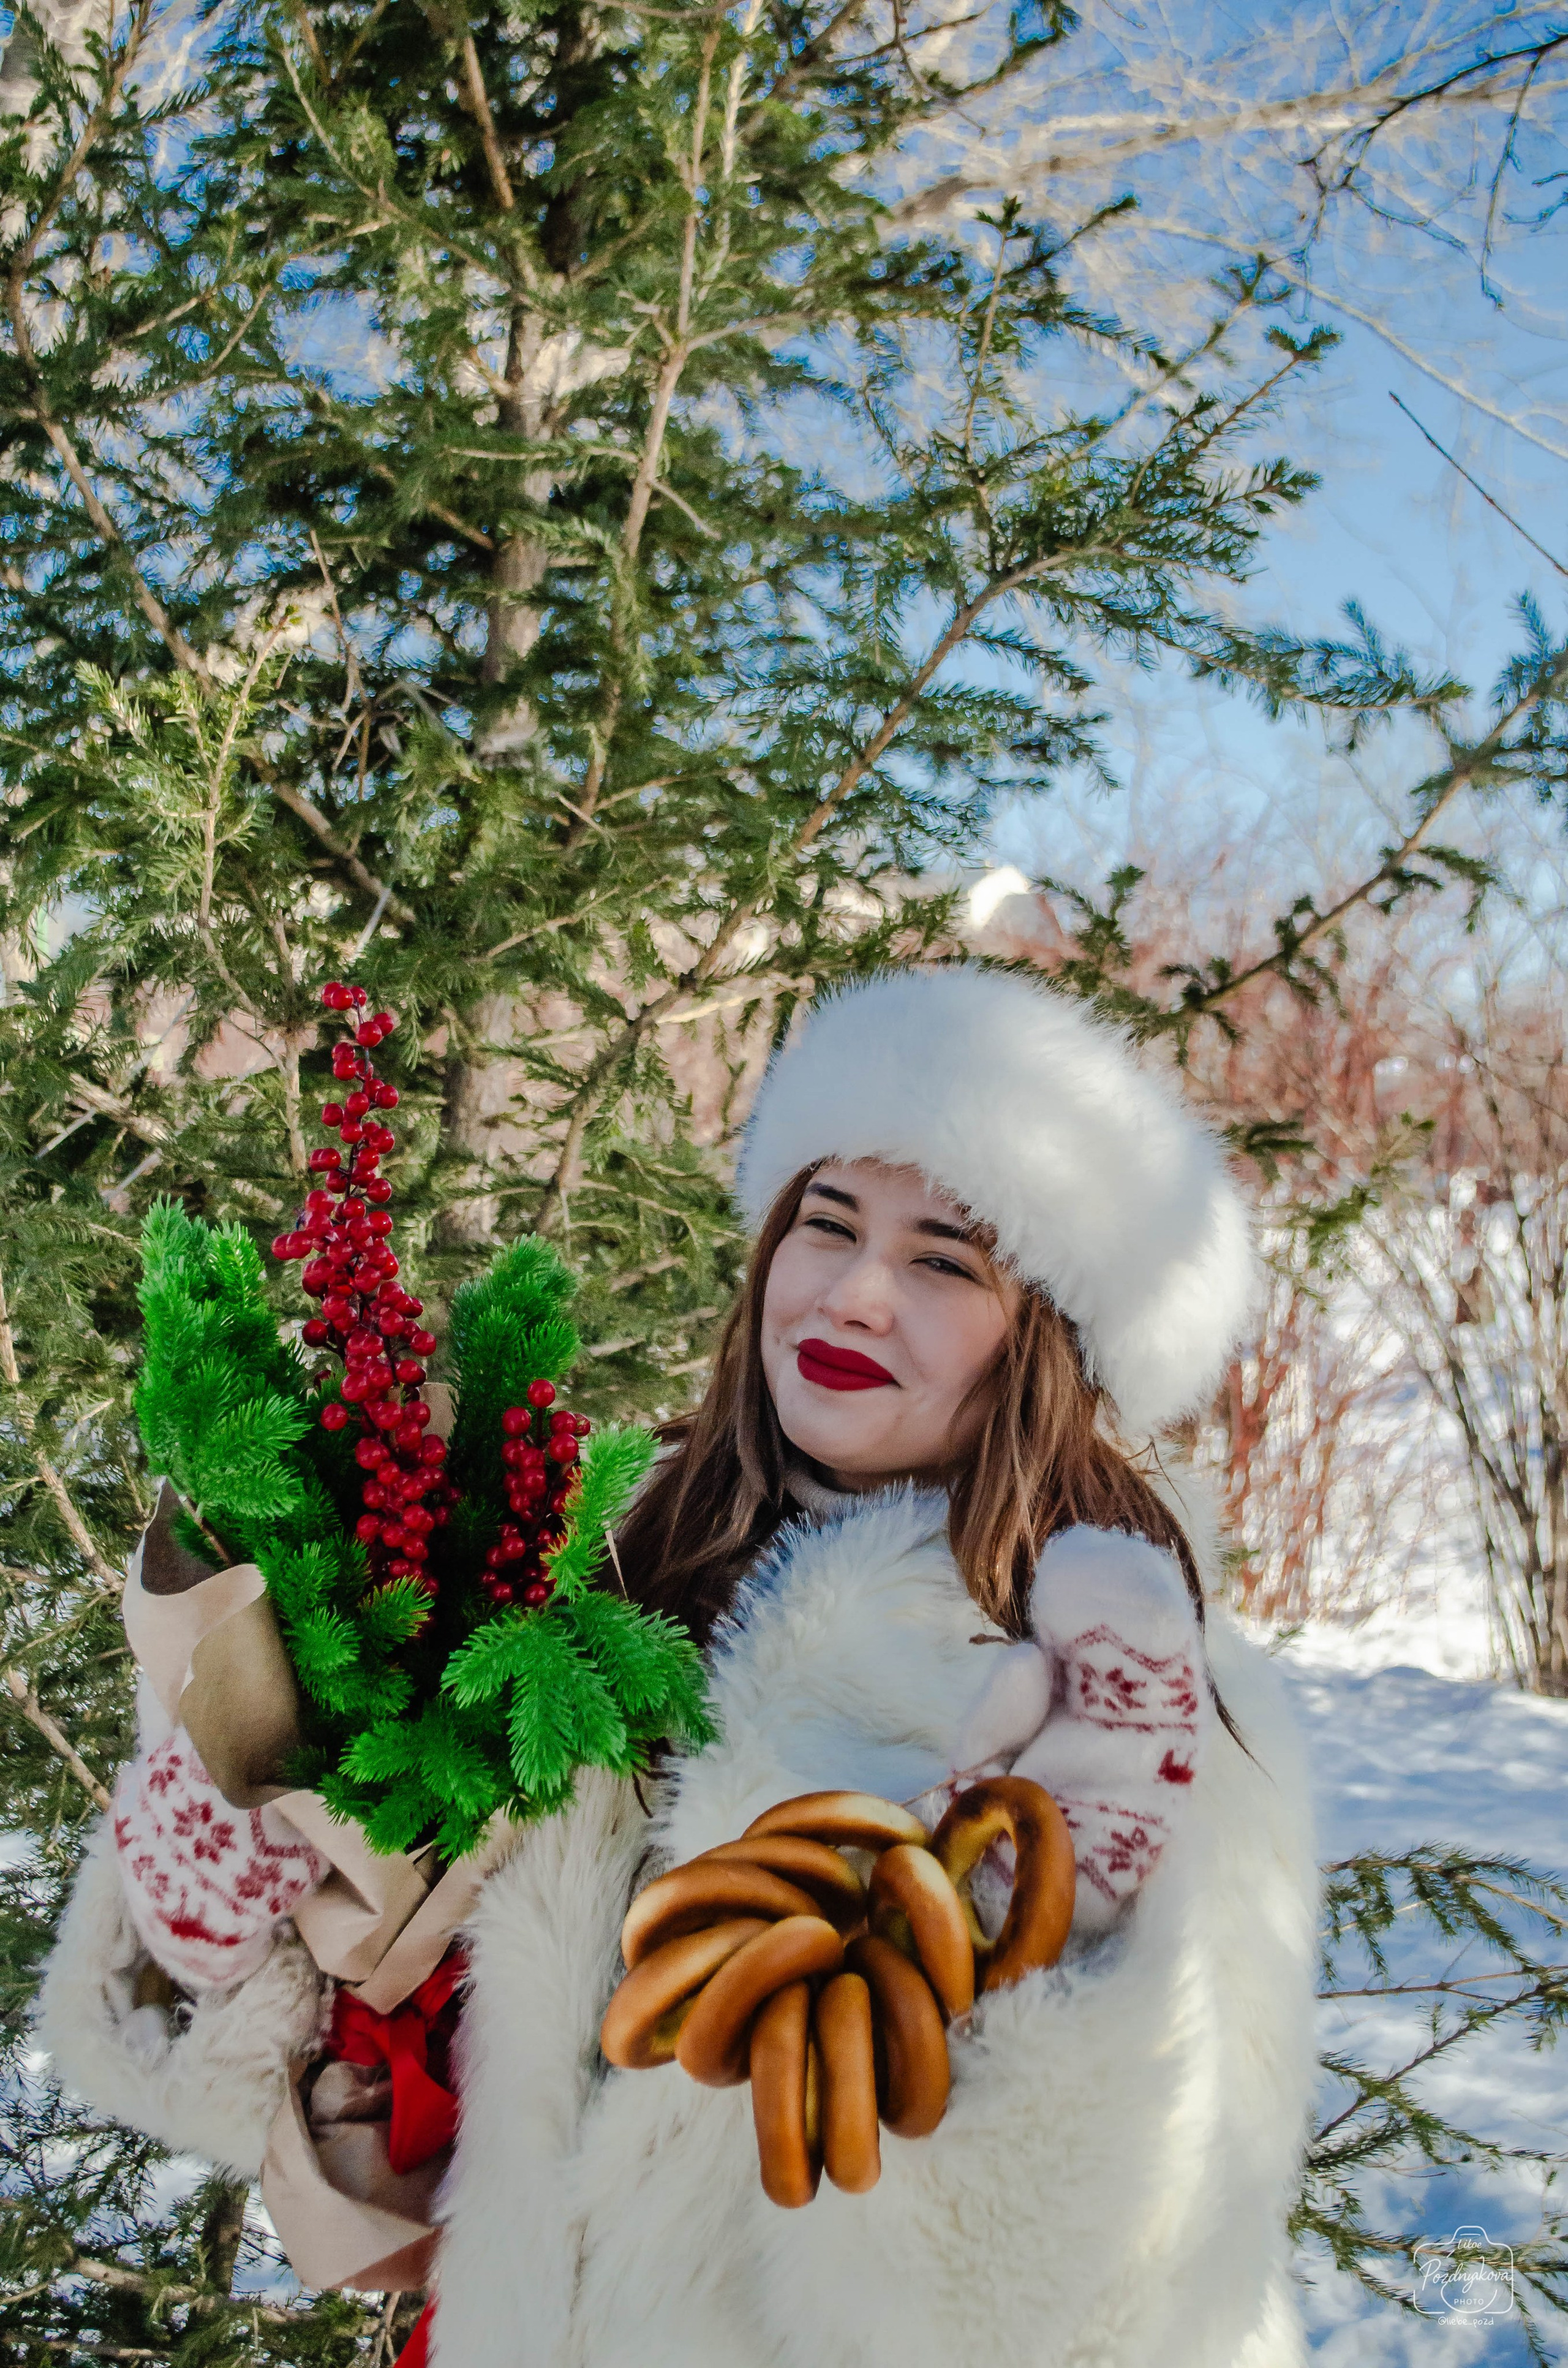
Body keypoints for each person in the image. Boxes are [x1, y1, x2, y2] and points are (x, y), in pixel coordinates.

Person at [40, 965, 1317, 2368]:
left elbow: (1141, 2299)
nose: (855, 1291)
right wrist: (225, 1878)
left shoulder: (1132, 1696)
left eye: (944, 1259)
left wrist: (1053, 1962)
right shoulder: (591, 1566)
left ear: (1053, 1343)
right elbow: (404, 2080)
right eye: (823, 1225)